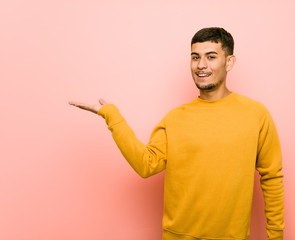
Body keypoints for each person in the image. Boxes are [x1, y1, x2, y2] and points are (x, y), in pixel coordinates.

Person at [69, 27, 284, 240]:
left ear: (229, 62)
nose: (201, 65)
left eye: (211, 57)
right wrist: (112, 117)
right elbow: (146, 165)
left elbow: (272, 178)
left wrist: (276, 236)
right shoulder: (174, 118)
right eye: (195, 57)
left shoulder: (256, 114)